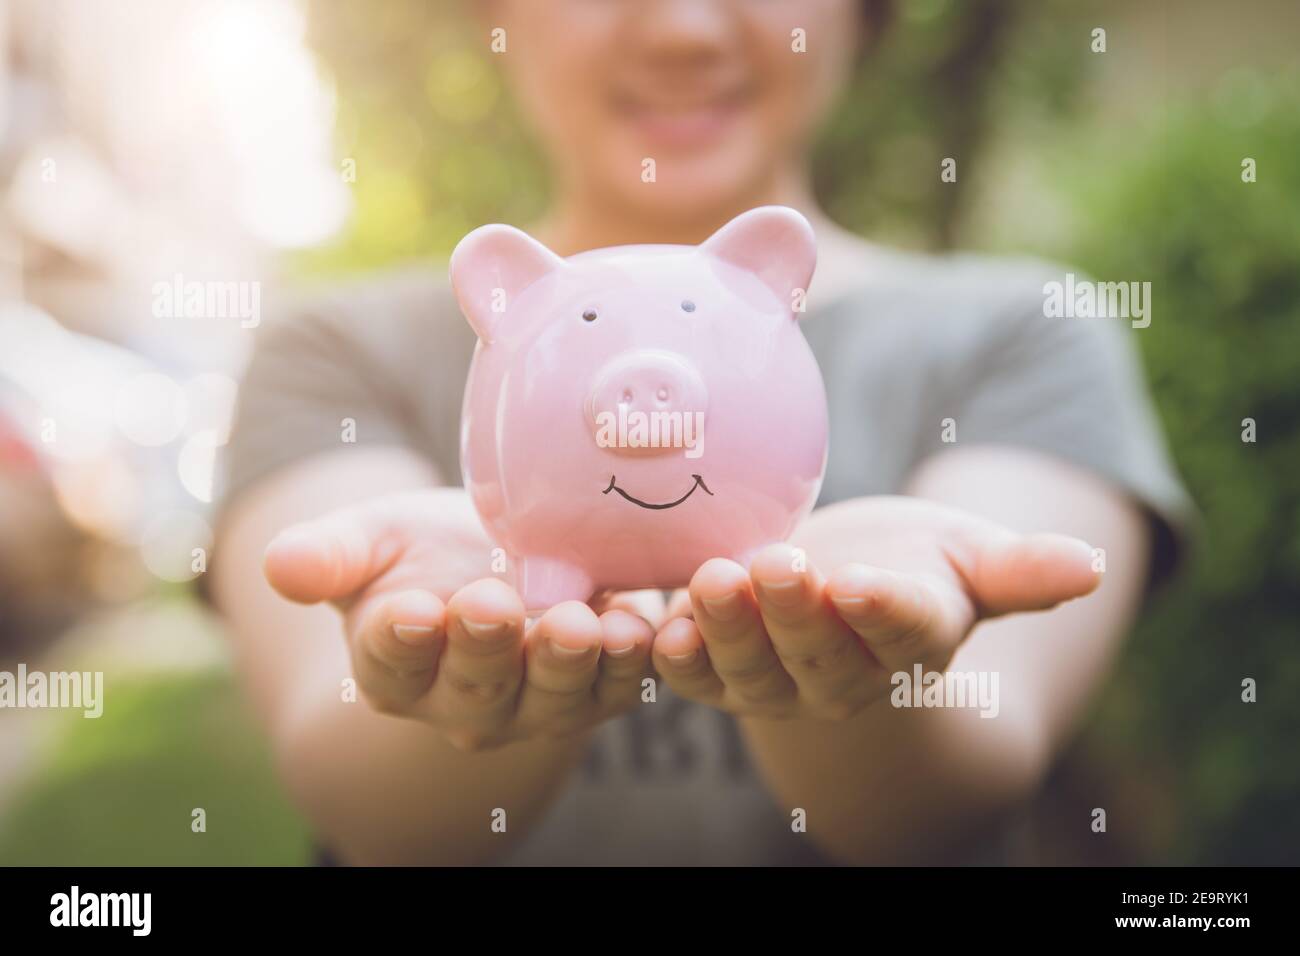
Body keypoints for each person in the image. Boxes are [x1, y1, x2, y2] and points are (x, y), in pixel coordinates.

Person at [211, 0, 1191, 865]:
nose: (683, 26)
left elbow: (949, 798)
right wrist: (458, 682)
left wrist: (840, 667)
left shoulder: (1021, 329)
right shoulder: (335, 347)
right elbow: (371, 817)